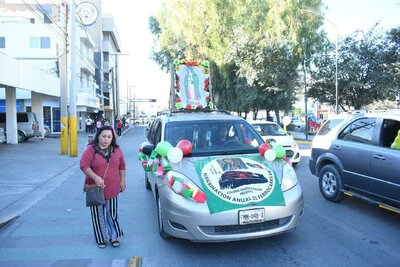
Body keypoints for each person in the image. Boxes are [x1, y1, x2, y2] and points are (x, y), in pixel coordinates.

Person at [80, 125, 126, 249]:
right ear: (98, 136)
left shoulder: (116, 150)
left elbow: (122, 166)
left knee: (112, 214)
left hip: (112, 188)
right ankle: (101, 238)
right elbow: (84, 165)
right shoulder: (90, 149)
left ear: (113, 138)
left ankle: (113, 236)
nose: (106, 139)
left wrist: (123, 181)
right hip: (95, 189)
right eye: (103, 136)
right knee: (97, 215)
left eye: (109, 137)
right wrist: (95, 177)